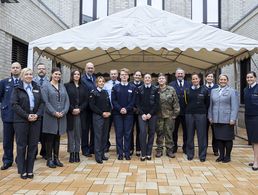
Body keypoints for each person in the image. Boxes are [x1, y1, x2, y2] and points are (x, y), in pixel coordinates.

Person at [11, 68, 43, 179]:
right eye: (26, 74)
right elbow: (14, 105)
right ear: (22, 76)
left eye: (30, 74)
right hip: (21, 121)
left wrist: (37, 115)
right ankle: (22, 169)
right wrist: (26, 115)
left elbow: (42, 103)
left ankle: (30, 170)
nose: (29, 76)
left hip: (35, 120)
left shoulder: (37, 87)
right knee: (21, 146)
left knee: (33, 146)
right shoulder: (17, 88)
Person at [41, 67, 69, 168]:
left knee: (57, 138)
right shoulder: (45, 86)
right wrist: (54, 112)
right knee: (49, 138)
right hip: (50, 117)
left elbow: (67, 101)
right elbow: (45, 102)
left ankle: (56, 158)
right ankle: (49, 159)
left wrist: (64, 111)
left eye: (59, 74)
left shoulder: (62, 86)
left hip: (61, 117)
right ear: (52, 74)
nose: (57, 76)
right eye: (55, 74)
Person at [208, 74, 239, 163]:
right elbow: (211, 105)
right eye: (221, 79)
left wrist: (233, 118)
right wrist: (210, 116)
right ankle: (221, 155)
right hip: (216, 119)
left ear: (227, 81)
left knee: (227, 138)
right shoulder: (214, 91)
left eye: (224, 79)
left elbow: (235, 106)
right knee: (219, 138)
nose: (222, 81)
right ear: (218, 81)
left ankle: (227, 156)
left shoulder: (232, 91)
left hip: (227, 119)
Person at [0, 62, 21, 170]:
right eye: (13, 68)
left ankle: (20, 160)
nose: (15, 69)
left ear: (21, 69)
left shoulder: (24, 82)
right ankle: (7, 160)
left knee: (20, 140)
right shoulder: (4, 82)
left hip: (20, 117)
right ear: (11, 70)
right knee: (7, 140)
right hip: (8, 115)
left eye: (17, 67)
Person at [112, 68, 136, 160]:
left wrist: (126, 109)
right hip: (118, 114)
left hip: (129, 114)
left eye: (126, 74)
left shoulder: (132, 87)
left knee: (127, 134)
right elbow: (113, 100)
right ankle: (120, 153)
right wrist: (120, 109)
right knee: (119, 134)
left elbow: (133, 101)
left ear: (128, 76)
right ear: (119, 76)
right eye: (122, 75)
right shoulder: (115, 87)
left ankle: (127, 153)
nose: (124, 76)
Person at [65, 70, 88, 163]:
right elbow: (65, 99)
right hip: (70, 113)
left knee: (78, 134)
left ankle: (77, 152)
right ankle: (71, 153)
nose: (77, 75)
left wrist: (80, 109)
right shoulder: (66, 86)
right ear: (72, 75)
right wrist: (72, 109)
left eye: (78, 74)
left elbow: (86, 101)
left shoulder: (84, 87)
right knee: (71, 134)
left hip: (80, 114)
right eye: (75, 74)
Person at [185, 73, 209, 162]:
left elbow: (207, 103)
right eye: (193, 79)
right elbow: (186, 101)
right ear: (191, 80)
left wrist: (203, 112)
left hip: (201, 115)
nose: (195, 80)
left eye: (196, 79)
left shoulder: (205, 90)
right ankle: (190, 154)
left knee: (201, 135)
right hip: (189, 114)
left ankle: (202, 155)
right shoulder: (187, 90)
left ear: (199, 80)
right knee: (190, 135)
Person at [156, 73, 180, 158]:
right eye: (160, 79)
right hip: (158, 116)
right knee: (159, 133)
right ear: (158, 80)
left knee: (169, 133)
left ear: (165, 80)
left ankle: (169, 150)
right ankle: (159, 150)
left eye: (163, 78)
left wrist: (175, 114)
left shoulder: (171, 89)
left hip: (169, 116)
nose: (161, 80)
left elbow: (176, 102)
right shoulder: (155, 89)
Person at [136, 74, 159, 161]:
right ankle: (143, 152)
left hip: (152, 115)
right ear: (143, 79)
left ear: (151, 79)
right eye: (146, 78)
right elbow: (137, 103)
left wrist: (150, 114)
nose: (147, 79)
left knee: (152, 133)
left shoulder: (155, 89)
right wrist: (142, 114)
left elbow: (157, 103)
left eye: (149, 78)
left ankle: (149, 153)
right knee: (142, 132)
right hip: (142, 115)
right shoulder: (139, 89)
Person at [89, 76, 112, 164]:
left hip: (107, 117)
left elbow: (109, 104)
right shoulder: (94, 93)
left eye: (103, 81)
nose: (101, 83)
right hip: (98, 117)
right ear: (96, 83)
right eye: (99, 81)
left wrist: (109, 112)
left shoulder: (105, 92)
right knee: (98, 136)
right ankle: (98, 156)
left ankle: (102, 154)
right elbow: (92, 106)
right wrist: (102, 113)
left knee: (104, 136)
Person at [169, 68, 190, 154]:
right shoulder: (171, 84)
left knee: (186, 131)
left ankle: (185, 147)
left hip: (186, 112)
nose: (180, 75)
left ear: (184, 75)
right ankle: (174, 147)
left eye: (182, 73)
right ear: (175, 75)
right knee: (174, 131)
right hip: (174, 113)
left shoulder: (189, 84)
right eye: (178, 74)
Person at [33, 63, 49, 159]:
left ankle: (44, 152)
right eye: (39, 69)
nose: (41, 70)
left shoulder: (49, 81)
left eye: (43, 69)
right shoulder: (32, 81)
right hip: (35, 111)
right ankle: (33, 154)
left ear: (46, 70)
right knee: (34, 135)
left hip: (46, 112)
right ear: (37, 70)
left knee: (45, 134)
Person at [81, 62, 96, 157]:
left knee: (94, 129)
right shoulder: (82, 80)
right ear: (85, 69)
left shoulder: (95, 79)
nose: (90, 69)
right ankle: (85, 149)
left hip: (94, 109)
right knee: (85, 130)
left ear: (94, 69)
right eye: (88, 68)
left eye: (91, 68)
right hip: (86, 109)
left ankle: (92, 148)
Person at [244, 71, 258, 170]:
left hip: (256, 117)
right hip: (248, 117)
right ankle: (255, 159)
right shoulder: (245, 89)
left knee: (256, 140)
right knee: (252, 140)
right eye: (248, 77)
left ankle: (256, 162)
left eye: (251, 77)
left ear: (255, 78)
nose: (249, 79)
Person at [103, 69, 120, 153]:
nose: (113, 75)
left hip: (117, 110)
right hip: (108, 109)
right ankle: (106, 145)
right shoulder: (106, 85)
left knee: (118, 129)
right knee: (107, 129)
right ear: (110, 75)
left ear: (117, 75)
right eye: (112, 74)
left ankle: (119, 146)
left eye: (115, 74)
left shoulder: (120, 84)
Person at [204, 72, 219, 156]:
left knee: (215, 132)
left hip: (214, 113)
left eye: (211, 77)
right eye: (208, 76)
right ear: (205, 78)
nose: (210, 78)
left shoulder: (217, 87)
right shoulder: (202, 87)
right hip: (204, 114)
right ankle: (204, 148)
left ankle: (215, 149)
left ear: (213, 78)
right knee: (204, 132)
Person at [130, 70, 143, 156]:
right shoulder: (130, 84)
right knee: (130, 130)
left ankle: (139, 148)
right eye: (136, 75)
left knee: (140, 130)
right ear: (133, 76)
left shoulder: (143, 84)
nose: (137, 76)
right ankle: (130, 148)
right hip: (130, 111)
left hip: (140, 112)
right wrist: (132, 108)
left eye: (139, 75)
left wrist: (139, 109)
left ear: (141, 77)